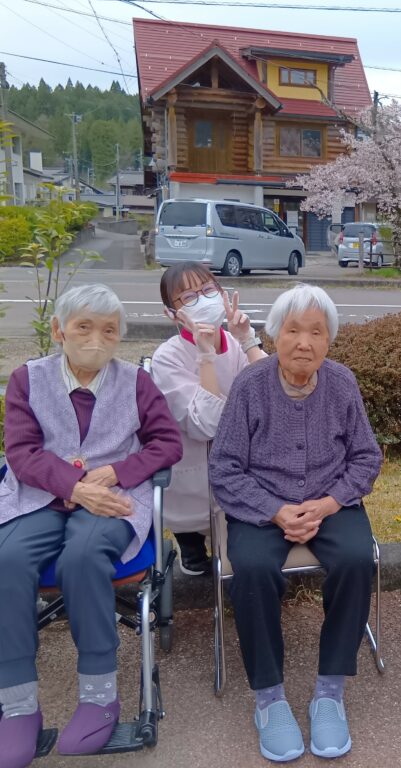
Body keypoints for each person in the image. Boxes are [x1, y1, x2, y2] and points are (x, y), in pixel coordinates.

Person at [0, 284, 182, 768]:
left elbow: (167, 443)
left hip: (116, 498)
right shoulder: (27, 379)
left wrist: (121, 471)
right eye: (83, 327)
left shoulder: (136, 383)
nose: (96, 340)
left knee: (83, 556)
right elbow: (20, 453)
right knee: (7, 559)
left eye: (108, 330)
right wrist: (74, 486)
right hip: (40, 495)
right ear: (59, 330)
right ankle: (18, 706)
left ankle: (100, 695)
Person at [208, 284, 382, 763]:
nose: (304, 342)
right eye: (293, 330)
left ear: (329, 341)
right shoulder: (250, 385)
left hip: (330, 502)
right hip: (262, 507)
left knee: (353, 559)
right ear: (275, 334)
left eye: (316, 332)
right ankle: (269, 698)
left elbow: (367, 457)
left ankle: (329, 691)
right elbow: (224, 467)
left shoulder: (342, 383)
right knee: (253, 568)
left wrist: (327, 504)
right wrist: (276, 510)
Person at [150, 262, 266, 576]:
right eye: (188, 297)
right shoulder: (168, 357)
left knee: (240, 544)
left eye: (207, 290)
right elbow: (207, 425)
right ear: (171, 313)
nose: (202, 300)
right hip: (193, 464)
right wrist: (205, 356)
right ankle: (190, 543)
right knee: (195, 521)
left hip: (241, 462)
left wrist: (248, 339)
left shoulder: (237, 346)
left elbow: (274, 396)